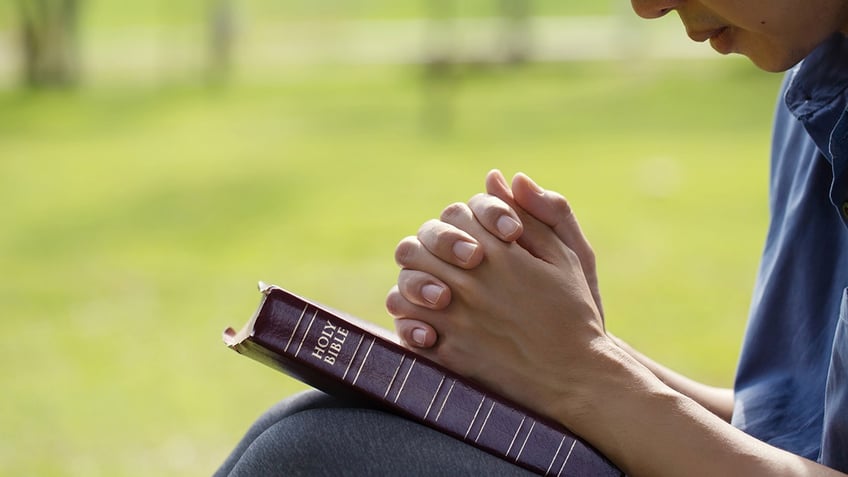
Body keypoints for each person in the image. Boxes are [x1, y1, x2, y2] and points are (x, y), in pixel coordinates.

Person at [215, 0, 848, 475]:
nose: (646, 5)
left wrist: (587, 377)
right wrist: (553, 348)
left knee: (318, 458)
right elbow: (787, 430)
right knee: (311, 433)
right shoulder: (818, 89)